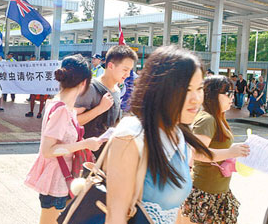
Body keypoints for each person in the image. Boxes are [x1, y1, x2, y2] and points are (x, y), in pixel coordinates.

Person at [105, 46, 249, 224]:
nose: (196, 98)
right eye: (187, 89)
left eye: (199, 89)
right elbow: (115, 216)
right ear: (161, 89)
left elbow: (174, 212)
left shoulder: (179, 134)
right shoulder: (131, 136)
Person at [25, 54, 103, 224]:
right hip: (56, 180)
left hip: (61, 178)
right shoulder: (62, 110)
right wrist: (85, 144)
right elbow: (47, 150)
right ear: (84, 83)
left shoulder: (58, 104)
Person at [179, 75, 250, 224]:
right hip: (205, 193)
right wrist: (232, 152)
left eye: (232, 93)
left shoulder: (218, 117)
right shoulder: (208, 119)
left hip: (217, 191)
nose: (232, 97)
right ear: (212, 95)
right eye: (228, 93)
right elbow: (198, 153)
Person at [75, 45, 137, 157]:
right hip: (87, 159)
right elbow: (73, 122)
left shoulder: (117, 90)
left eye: (130, 70)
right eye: (125, 70)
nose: (128, 75)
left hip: (106, 155)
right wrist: (100, 109)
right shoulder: (90, 88)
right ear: (110, 66)